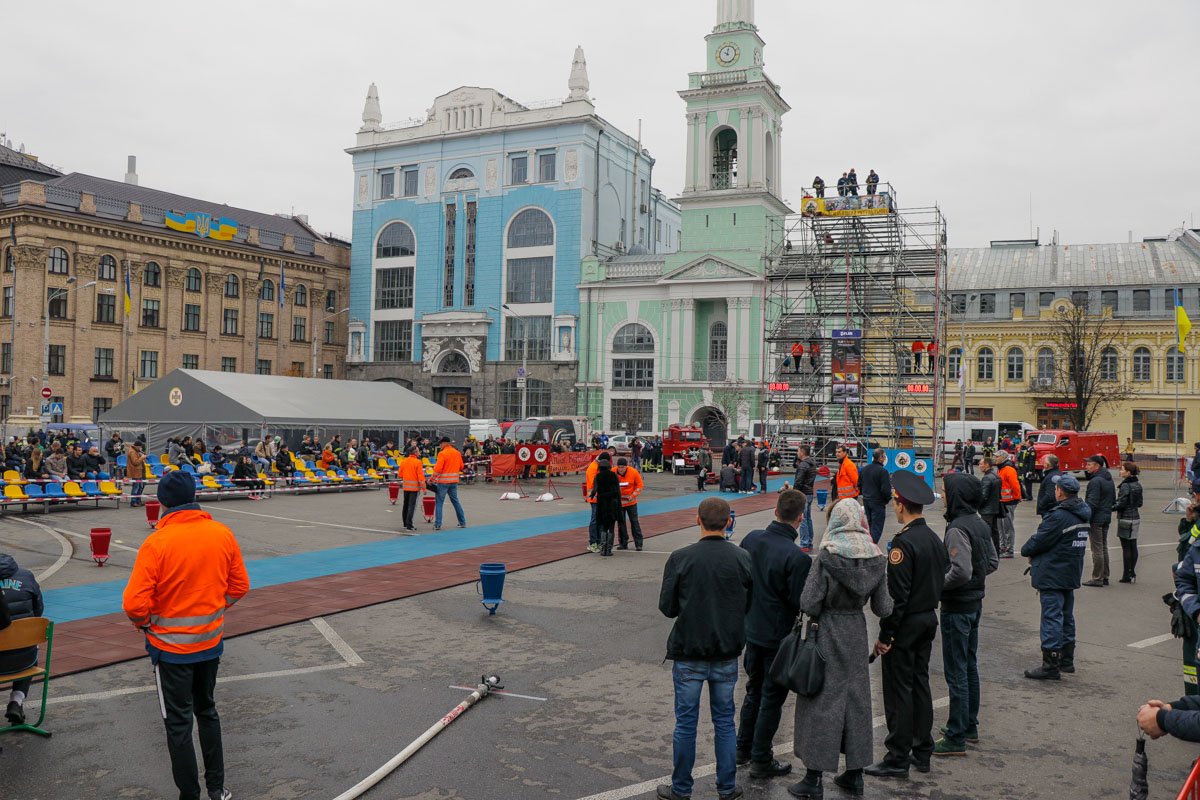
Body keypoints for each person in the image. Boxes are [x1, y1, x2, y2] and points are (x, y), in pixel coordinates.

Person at [122, 471, 250, 800]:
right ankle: (217, 788)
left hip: (170, 650)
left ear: (163, 503)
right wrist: (215, 610)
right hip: (209, 645)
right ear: (196, 495)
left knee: (178, 724)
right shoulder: (221, 533)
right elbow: (240, 586)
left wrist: (146, 623)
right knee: (207, 711)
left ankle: (189, 794)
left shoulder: (157, 543)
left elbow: (134, 603)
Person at [789, 499, 891, 798]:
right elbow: (884, 607)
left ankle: (813, 778)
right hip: (856, 631)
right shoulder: (876, 556)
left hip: (828, 630)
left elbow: (808, 603)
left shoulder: (827, 556)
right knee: (857, 701)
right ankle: (855, 773)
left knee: (821, 700)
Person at [657, 497, 753, 800]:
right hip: (725, 651)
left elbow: (667, 607)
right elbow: (749, 604)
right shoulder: (742, 558)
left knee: (685, 723)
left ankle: (681, 788)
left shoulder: (680, 557)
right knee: (725, 721)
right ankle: (726, 787)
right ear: (728, 522)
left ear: (697, 520)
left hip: (689, 650)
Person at [867, 471, 947, 780]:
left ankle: (897, 756)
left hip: (907, 622)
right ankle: (922, 750)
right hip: (928, 618)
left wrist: (886, 635)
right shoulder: (932, 538)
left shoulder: (903, 544)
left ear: (901, 505)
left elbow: (896, 598)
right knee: (920, 685)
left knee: (898, 691)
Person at [736, 491, 812, 780]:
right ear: (800, 517)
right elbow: (798, 601)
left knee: (754, 690)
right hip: (776, 634)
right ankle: (761, 757)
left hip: (751, 628)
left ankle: (743, 748)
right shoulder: (796, 556)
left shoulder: (752, 539)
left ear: (776, 510)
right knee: (771, 697)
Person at [933, 473, 998, 757]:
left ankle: (956, 735)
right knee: (969, 666)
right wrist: (976, 578)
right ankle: (969, 725)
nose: (943, 495)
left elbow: (960, 570)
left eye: (946, 491)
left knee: (956, 670)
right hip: (975, 603)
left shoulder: (957, 528)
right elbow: (992, 562)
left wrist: (935, 586)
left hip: (957, 606)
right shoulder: (980, 523)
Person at [1020, 473, 1090, 680]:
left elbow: (1039, 540)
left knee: (1051, 616)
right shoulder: (1083, 512)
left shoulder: (1059, 515)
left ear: (1060, 491)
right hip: (1070, 570)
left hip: (1053, 571)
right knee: (1066, 615)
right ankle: (1066, 660)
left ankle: (1050, 664)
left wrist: (1027, 551)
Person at [0, 553, 44, 727]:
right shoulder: (26, 576)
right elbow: (38, 611)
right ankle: (16, 700)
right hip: (26, 658)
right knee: (28, 645)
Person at [1174, 509, 1200, 696]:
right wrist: (1195, 611)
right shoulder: (1197, 549)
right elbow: (1184, 577)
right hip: (1196, 624)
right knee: (1192, 671)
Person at [1082, 455, 1115, 587]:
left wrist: (1085, 516)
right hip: (1106, 516)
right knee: (1103, 547)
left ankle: (1097, 578)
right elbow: (1113, 499)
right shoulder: (1108, 479)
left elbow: (1092, 502)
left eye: (1089, 464)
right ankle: (1105, 575)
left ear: (1097, 466)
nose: (1086, 466)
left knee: (1097, 549)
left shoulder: (1095, 481)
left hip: (1096, 518)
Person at [1115, 462, 1143, 583]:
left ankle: (1127, 574)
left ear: (1128, 472)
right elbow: (1140, 503)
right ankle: (1132, 571)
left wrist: (1110, 507)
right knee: (1133, 545)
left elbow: (1121, 504)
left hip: (1125, 517)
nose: (1120, 471)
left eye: (1122, 470)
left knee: (1126, 547)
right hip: (1135, 516)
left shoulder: (1125, 486)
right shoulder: (1138, 484)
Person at [431, 437, 466, 531]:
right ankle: (462, 522)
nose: (440, 446)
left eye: (440, 444)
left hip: (443, 482)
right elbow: (461, 466)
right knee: (455, 501)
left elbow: (438, 469)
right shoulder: (457, 453)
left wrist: (431, 479)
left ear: (444, 443)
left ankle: (438, 524)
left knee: (439, 502)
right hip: (454, 481)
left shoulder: (442, 454)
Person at [858, 448, 892, 543]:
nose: (885, 458)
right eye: (884, 456)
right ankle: (871, 547)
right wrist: (886, 499)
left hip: (867, 500)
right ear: (880, 458)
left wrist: (865, 494)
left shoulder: (865, 469)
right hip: (877, 502)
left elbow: (859, 484)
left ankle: (868, 544)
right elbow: (886, 490)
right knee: (877, 527)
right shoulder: (883, 472)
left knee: (869, 525)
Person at [590, 455, 622, 557]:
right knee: (611, 527)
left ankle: (603, 549)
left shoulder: (598, 476)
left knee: (603, 527)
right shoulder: (614, 475)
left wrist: (591, 495)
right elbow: (618, 491)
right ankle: (609, 549)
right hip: (612, 503)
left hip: (602, 503)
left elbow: (594, 490)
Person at [994, 450, 1022, 558]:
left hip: (1008, 502)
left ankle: (1009, 550)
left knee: (1007, 527)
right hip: (1002, 502)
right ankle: (1003, 547)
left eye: (997, 457)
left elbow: (1015, 486)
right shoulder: (1001, 469)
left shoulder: (1008, 469)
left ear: (1003, 458)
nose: (995, 458)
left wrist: (1016, 498)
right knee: (1001, 527)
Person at [615, 458, 645, 551]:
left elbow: (640, 486)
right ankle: (623, 543)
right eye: (619, 467)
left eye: (622, 467)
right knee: (621, 523)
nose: (620, 469)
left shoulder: (633, 472)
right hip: (619, 503)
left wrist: (633, 495)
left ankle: (638, 544)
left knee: (634, 522)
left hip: (631, 502)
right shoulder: (613, 472)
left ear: (626, 466)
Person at [793, 445, 818, 550]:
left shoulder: (803, 465)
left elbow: (799, 480)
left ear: (802, 452)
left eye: (798, 451)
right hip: (809, 492)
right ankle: (809, 541)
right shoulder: (812, 464)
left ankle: (804, 543)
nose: (797, 453)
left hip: (803, 493)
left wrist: (794, 492)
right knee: (808, 518)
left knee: (802, 518)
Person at [399, 446, 426, 532]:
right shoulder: (418, 462)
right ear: (415, 453)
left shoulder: (404, 461)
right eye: (418, 451)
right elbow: (421, 477)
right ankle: (409, 525)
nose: (419, 453)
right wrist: (424, 488)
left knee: (405, 505)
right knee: (412, 506)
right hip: (414, 488)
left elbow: (400, 474)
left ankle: (405, 524)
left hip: (406, 487)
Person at [127, 442, 148, 507]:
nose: (141, 448)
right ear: (137, 446)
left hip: (139, 471)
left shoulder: (136, 451)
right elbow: (135, 462)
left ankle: (138, 500)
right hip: (135, 471)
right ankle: (133, 501)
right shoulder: (132, 452)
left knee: (140, 486)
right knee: (136, 487)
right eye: (140, 447)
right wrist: (142, 457)